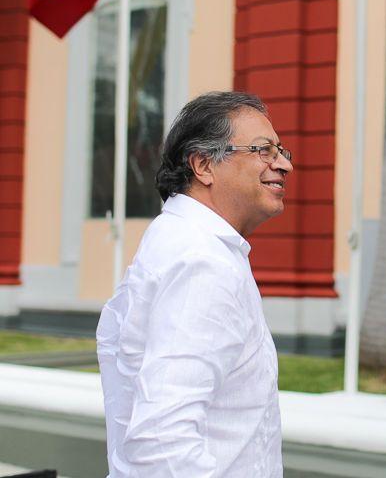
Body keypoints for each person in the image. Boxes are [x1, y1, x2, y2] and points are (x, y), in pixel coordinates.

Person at [96, 91, 293, 477]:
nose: (283, 164)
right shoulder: (201, 262)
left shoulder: (183, 241)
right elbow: (163, 442)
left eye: (281, 151)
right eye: (264, 150)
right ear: (204, 165)